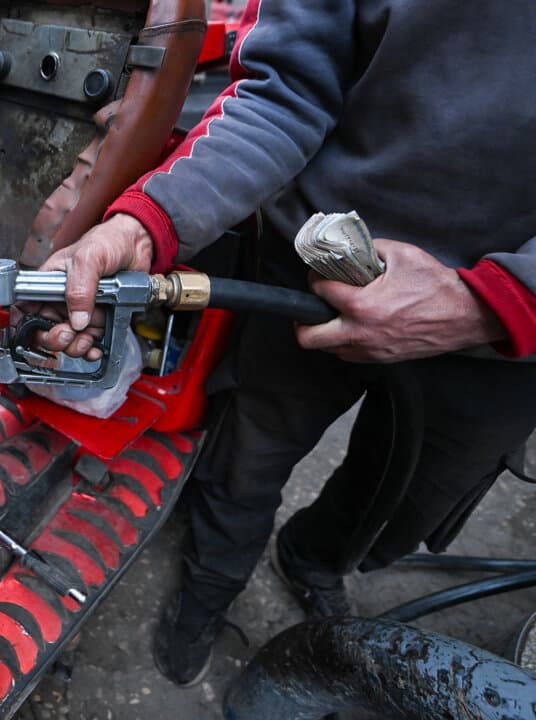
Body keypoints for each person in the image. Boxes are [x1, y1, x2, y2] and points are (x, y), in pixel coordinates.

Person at [36, 0, 536, 687]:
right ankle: (208, 587)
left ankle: (312, 559)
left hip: (510, 335)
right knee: (247, 453)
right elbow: (285, 90)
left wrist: (498, 302)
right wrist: (146, 225)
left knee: (404, 501)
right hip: (312, 275)